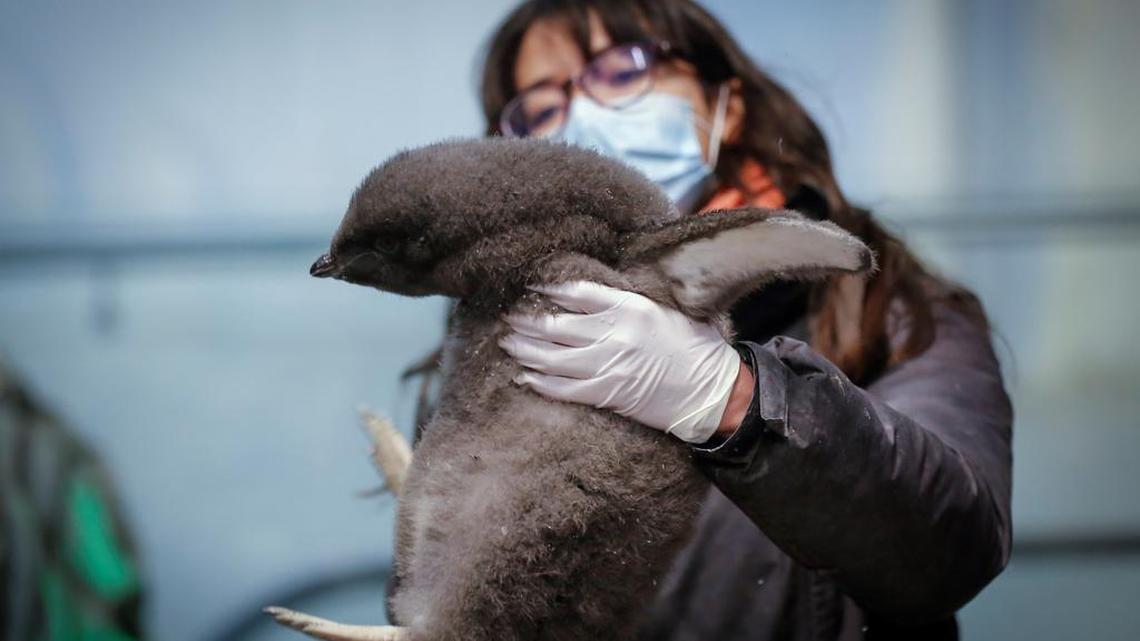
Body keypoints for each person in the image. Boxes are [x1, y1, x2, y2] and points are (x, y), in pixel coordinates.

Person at [410, 1, 1013, 639]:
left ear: (727, 101)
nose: (582, 118)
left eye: (621, 71)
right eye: (539, 109)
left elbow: (950, 551)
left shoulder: (891, 308)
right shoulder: (494, 338)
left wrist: (731, 402)